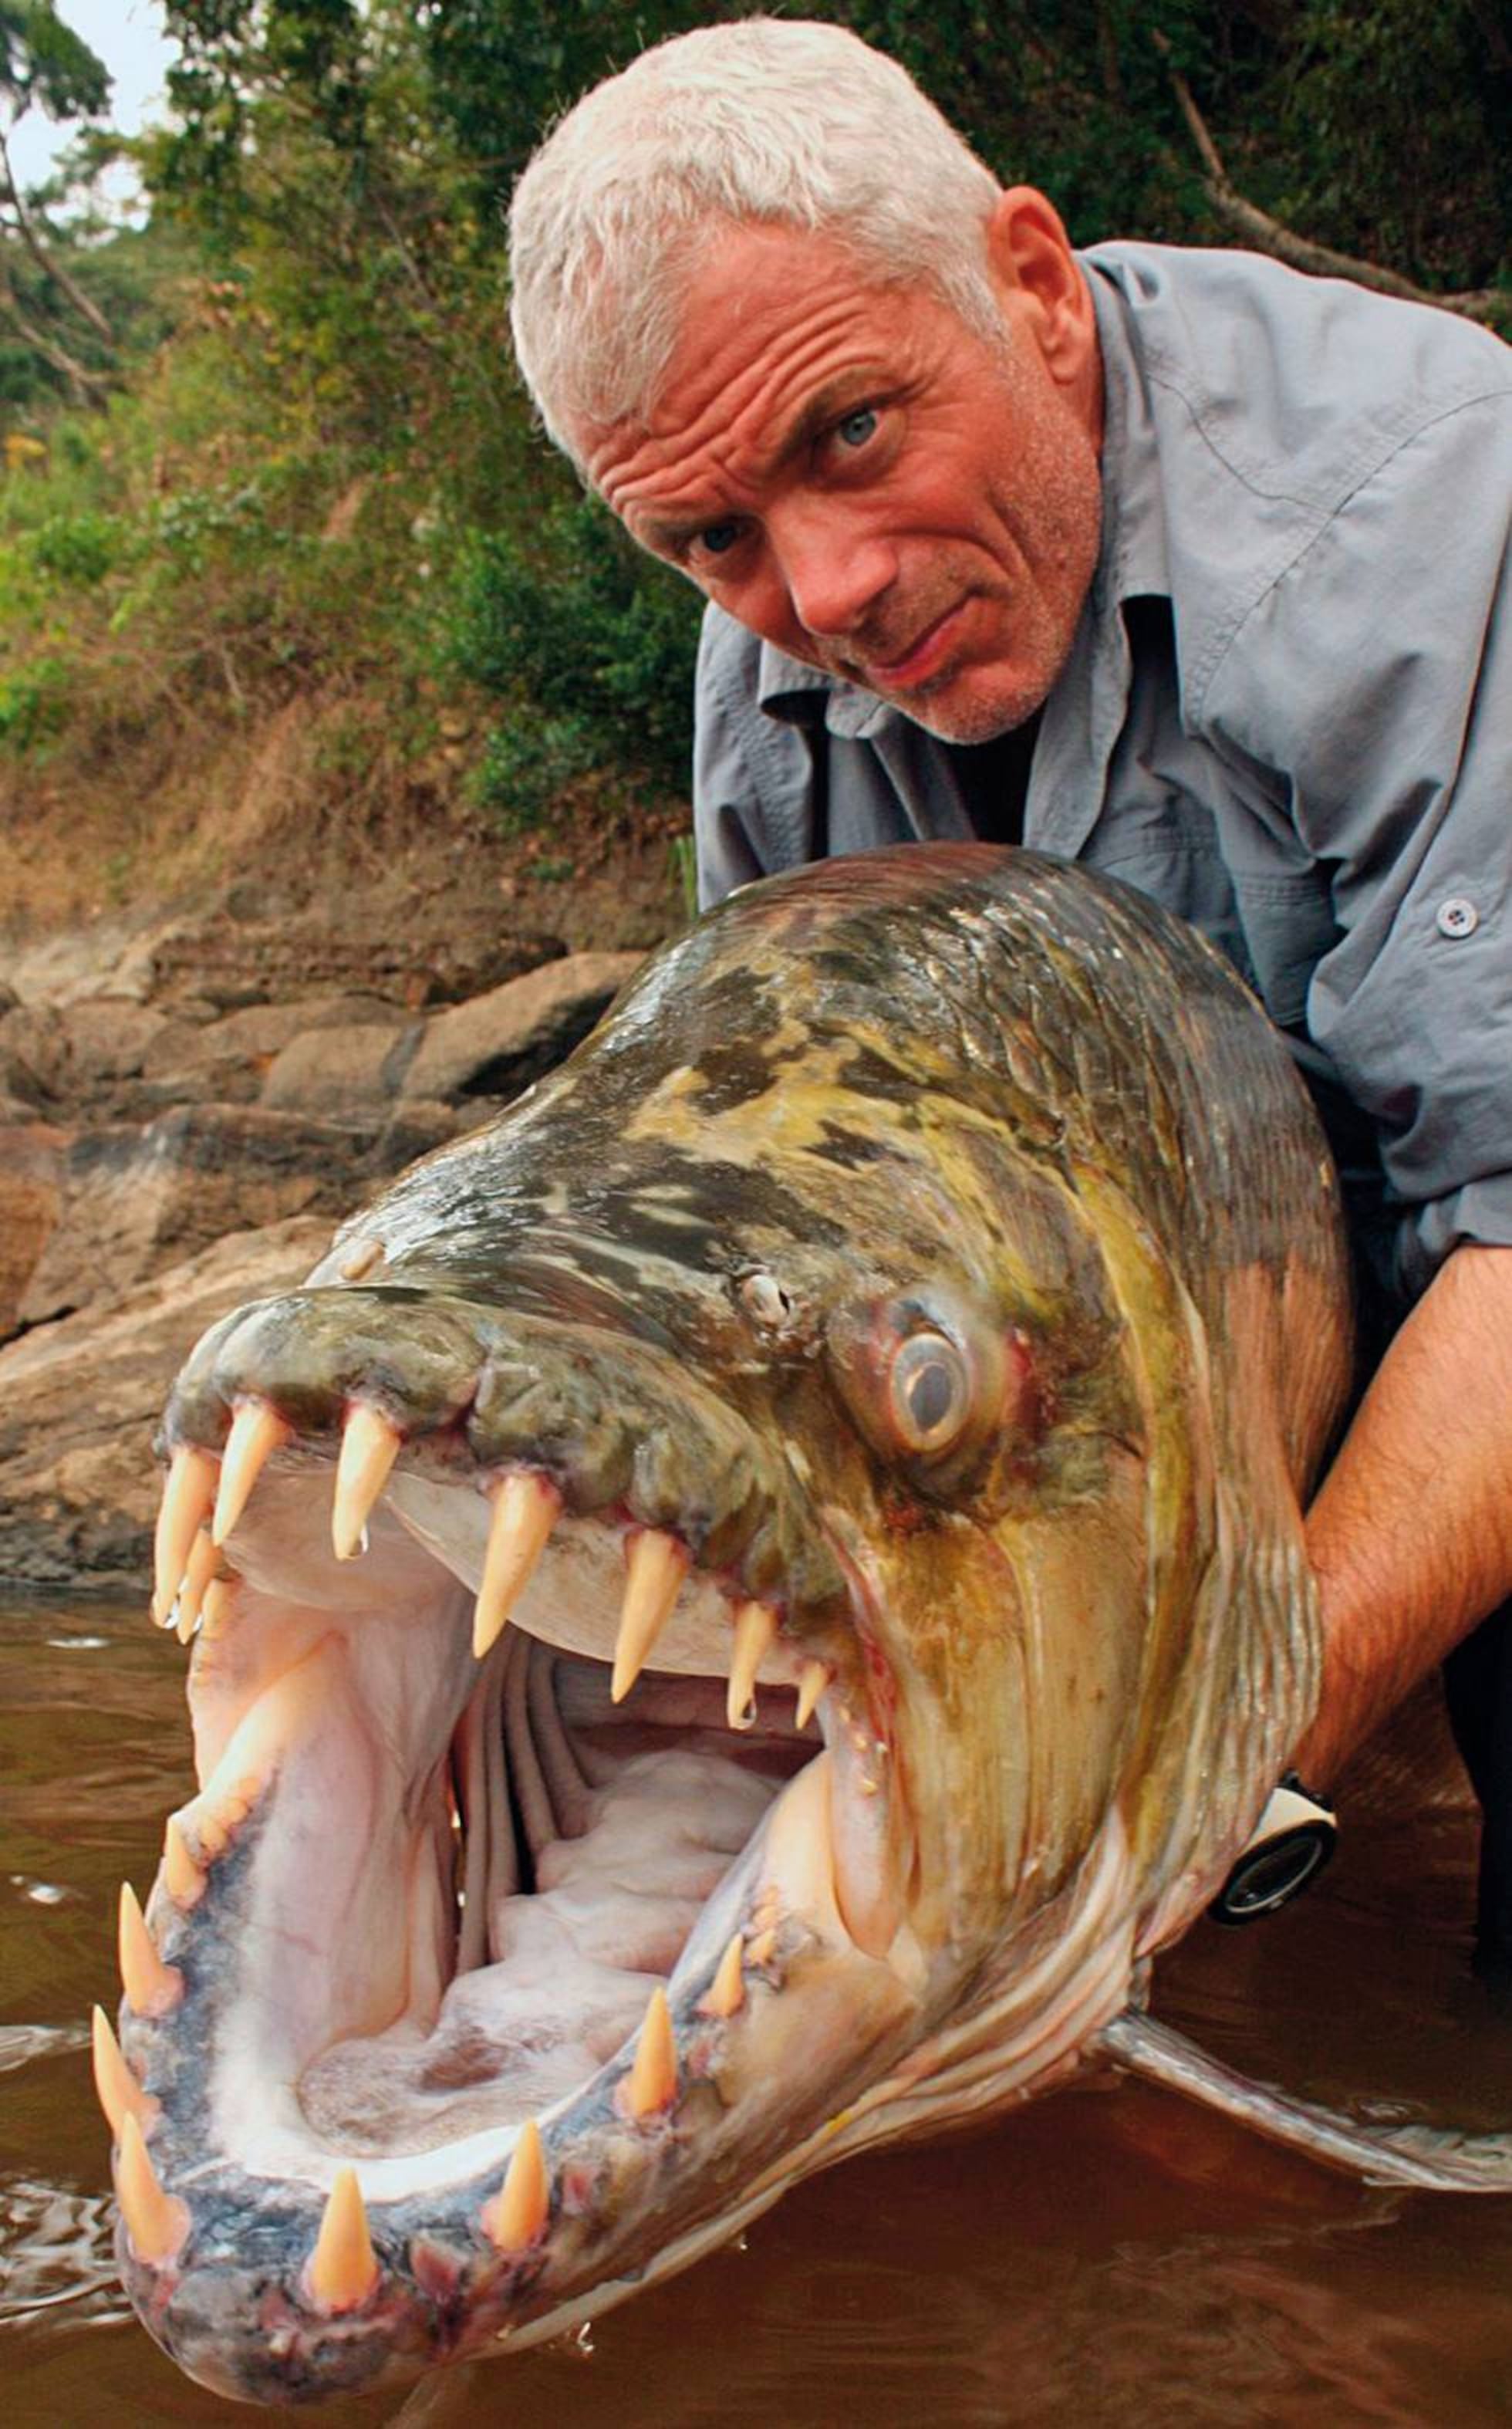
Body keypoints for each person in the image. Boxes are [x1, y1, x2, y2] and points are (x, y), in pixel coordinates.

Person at [508, 20, 1512, 1958]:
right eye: (709, 538)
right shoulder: (768, 692)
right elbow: (810, 1231)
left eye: (855, 434)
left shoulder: (1421, 514)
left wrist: (1198, 1764)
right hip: (1177, 1310)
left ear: (1033, 289)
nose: (826, 591)